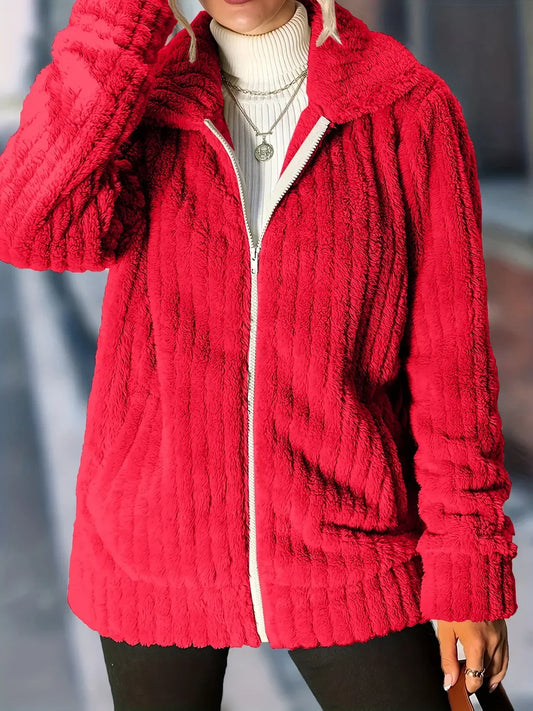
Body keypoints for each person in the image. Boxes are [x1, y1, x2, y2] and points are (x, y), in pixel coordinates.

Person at [0, 0, 518, 708]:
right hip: (153, 548)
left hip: (353, 546)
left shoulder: (406, 108)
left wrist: (469, 565)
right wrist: (119, 21)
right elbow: (27, 224)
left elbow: (453, 369)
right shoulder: (141, 107)